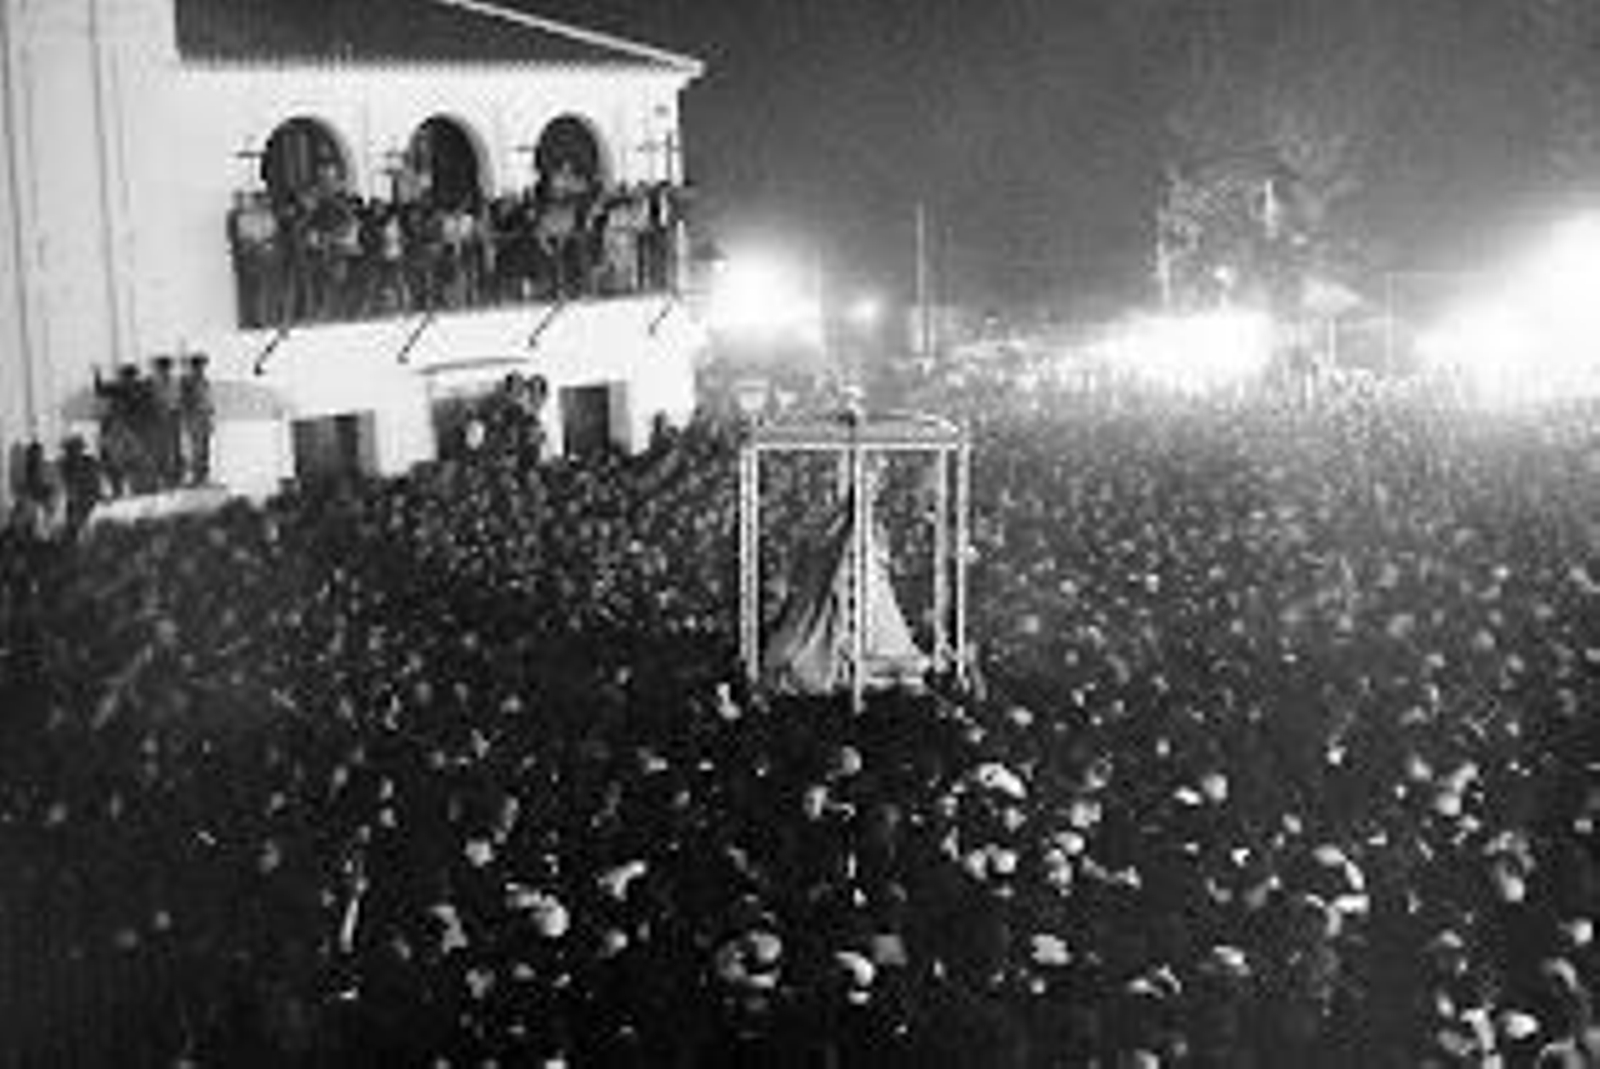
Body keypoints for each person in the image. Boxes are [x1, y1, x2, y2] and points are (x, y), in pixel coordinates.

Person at [180, 354, 216, 486]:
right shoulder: (187, 382)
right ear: (193, 367)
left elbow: (208, 402)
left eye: (202, 366)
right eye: (199, 366)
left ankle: (203, 477)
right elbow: (185, 403)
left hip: (204, 419)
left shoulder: (205, 382)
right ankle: (195, 477)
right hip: (193, 420)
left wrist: (210, 416)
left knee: (205, 451)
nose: (201, 368)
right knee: (195, 450)